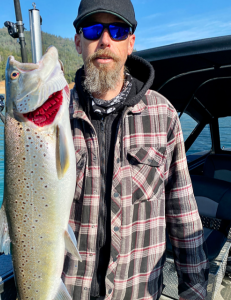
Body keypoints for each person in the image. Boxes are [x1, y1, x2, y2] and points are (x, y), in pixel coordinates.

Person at [62, 0, 209, 299]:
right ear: (78, 42)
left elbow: (183, 214)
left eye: (117, 30)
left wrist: (194, 290)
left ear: (130, 43)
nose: (105, 40)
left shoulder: (163, 114)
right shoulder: (54, 116)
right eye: (92, 30)